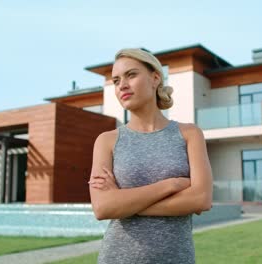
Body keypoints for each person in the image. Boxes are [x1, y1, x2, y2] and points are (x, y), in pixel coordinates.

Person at [89, 48, 213, 264]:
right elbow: (103, 208)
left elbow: (201, 199)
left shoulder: (189, 134)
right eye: (116, 80)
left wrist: (124, 205)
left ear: (155, 78)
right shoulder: (106, 140)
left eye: (131, 75)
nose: (122, 86)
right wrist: (172, 185)